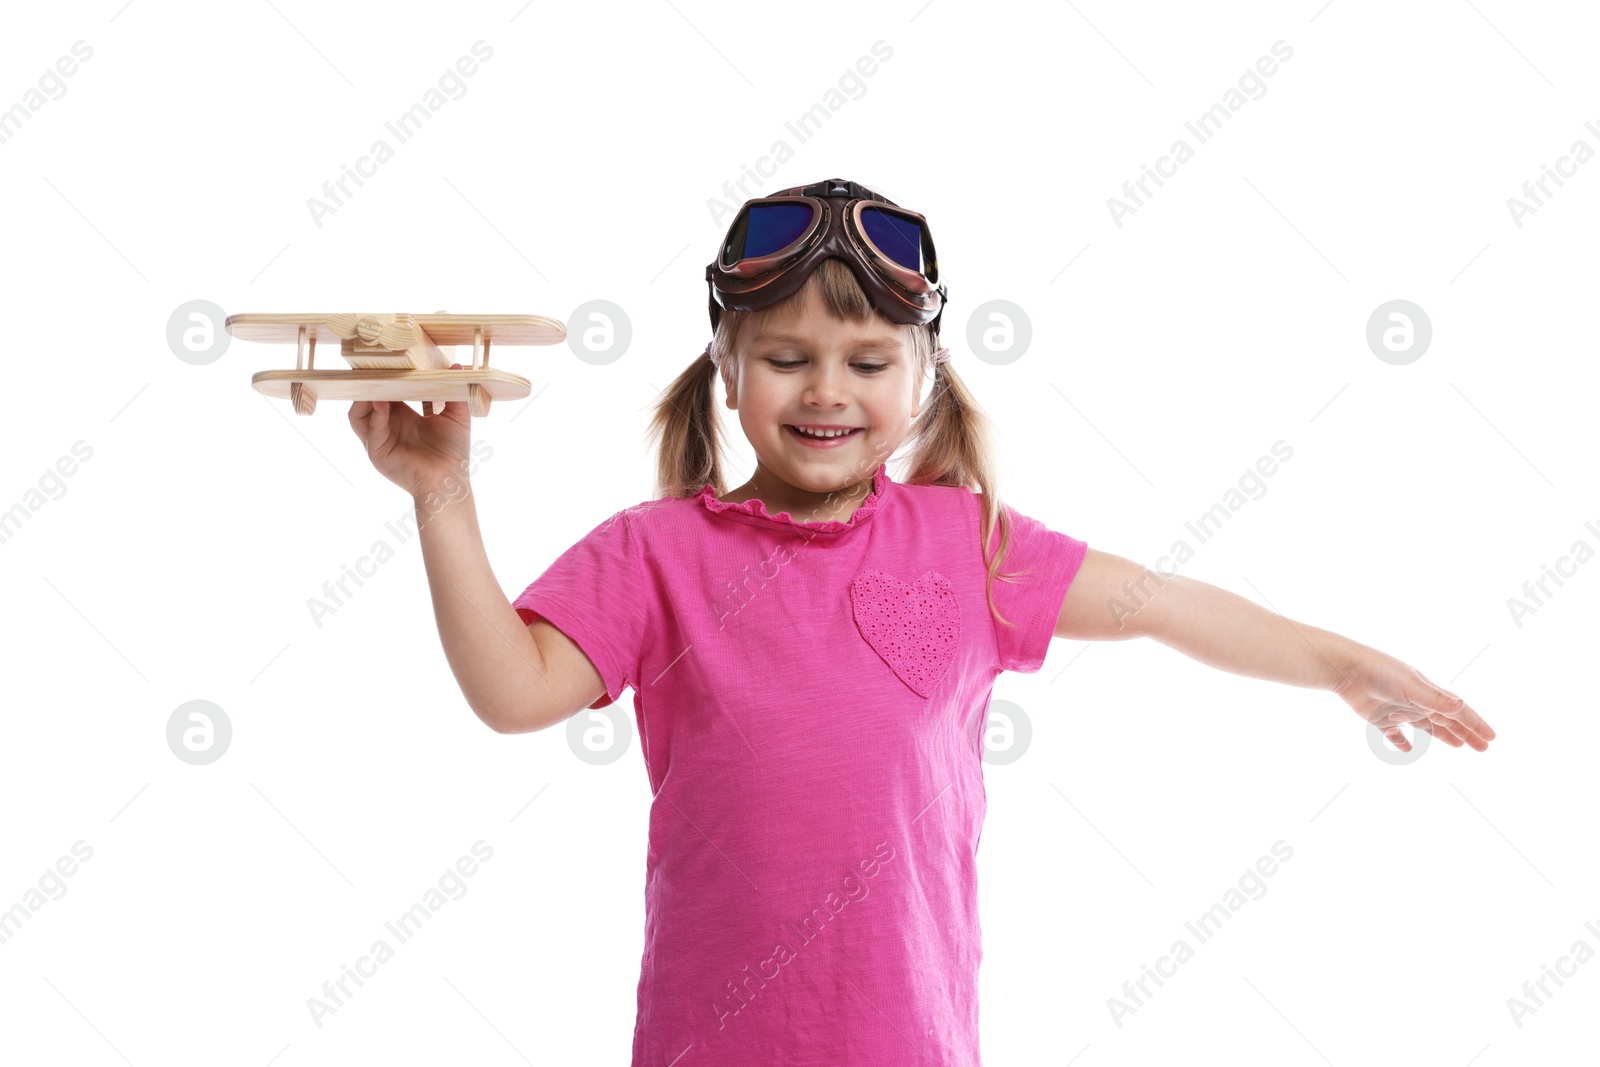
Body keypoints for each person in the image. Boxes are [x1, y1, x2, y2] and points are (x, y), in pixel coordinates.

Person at [348, 177, 1496, 1065]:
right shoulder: (657, 552)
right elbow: (511, 689)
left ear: (924, 372)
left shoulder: (968, 546)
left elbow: (1164, 605)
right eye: (787, 359)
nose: (826, 391)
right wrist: (440, 491)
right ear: (727, 370)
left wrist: (1341, 661)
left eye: (865, 360)